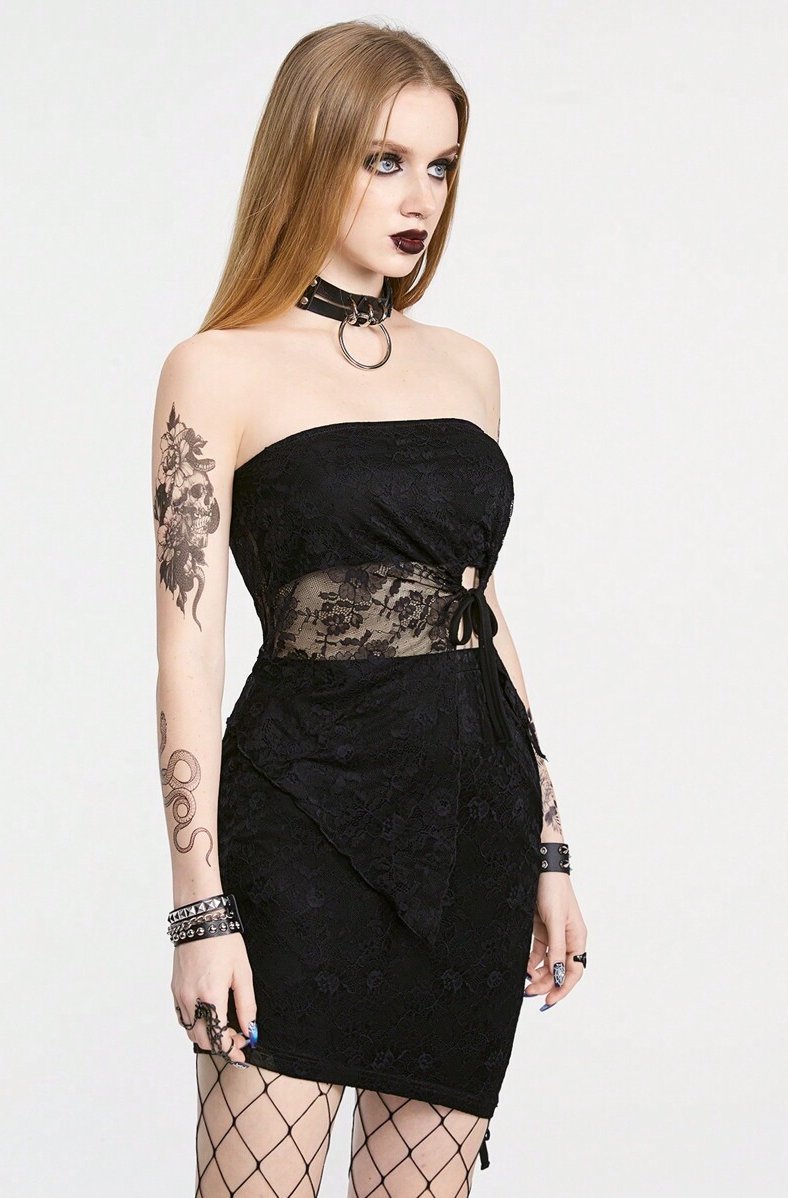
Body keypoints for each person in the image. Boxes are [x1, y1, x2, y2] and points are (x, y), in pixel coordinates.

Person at [152, 18, 588, 1198]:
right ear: (310, 153)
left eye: (439, 166)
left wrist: (550, 847)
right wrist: (200, 908)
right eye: (385, 160)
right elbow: (189, 651)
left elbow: (477, 608)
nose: (420, 198)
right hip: (301, 825)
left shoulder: (467, 367)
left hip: (473, 823)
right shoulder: (216, 367)